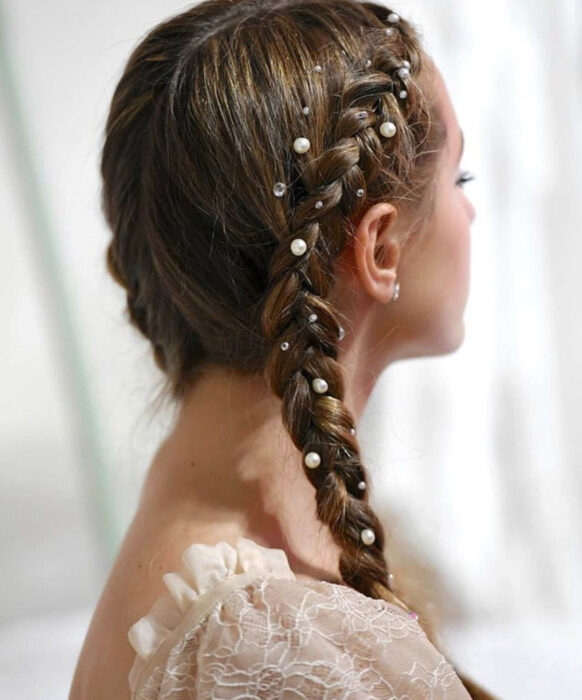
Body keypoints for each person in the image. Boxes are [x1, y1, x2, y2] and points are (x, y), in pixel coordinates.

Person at [70, 0, 498, 697]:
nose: (471, 212)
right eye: (460, 178)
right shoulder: (270, 646)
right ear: (381, 247)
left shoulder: (208, 516)